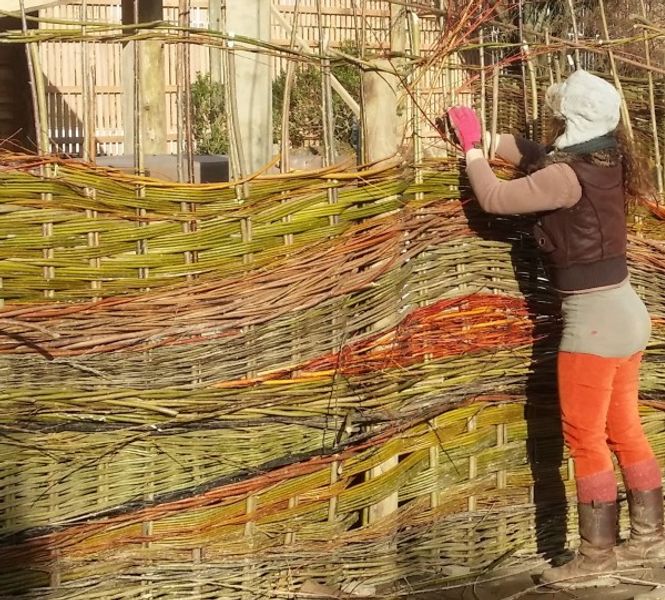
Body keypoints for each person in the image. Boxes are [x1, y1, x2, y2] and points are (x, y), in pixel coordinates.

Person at [446, 69, 663, 588]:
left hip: (593, 325)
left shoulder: (566, 177)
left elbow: (496, 198)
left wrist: (475, 153)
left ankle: (596, 558)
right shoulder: (602, 160)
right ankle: (650, 541)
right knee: (624, 429)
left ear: (572, 118)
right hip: (627, 313)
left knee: (584, 437)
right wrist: (490, 137)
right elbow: (536, 155)